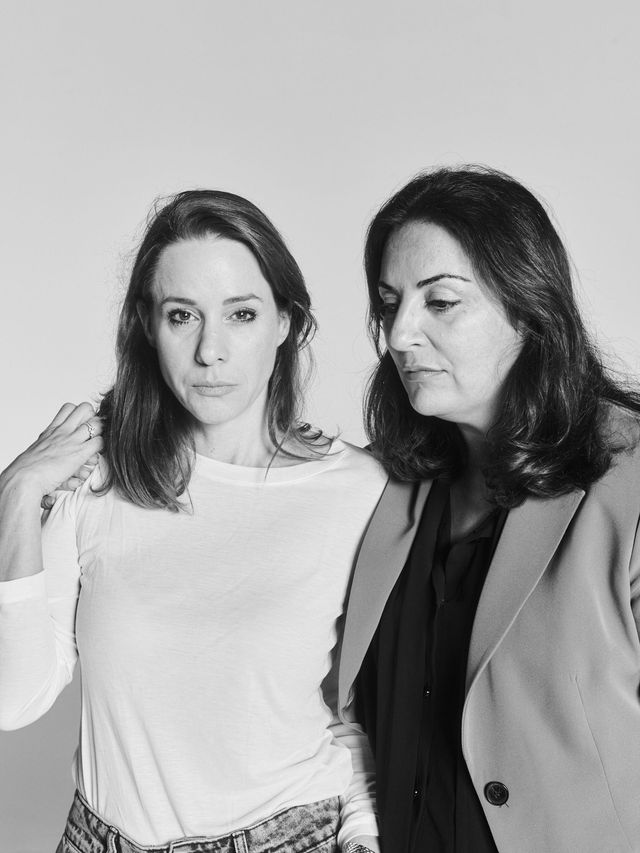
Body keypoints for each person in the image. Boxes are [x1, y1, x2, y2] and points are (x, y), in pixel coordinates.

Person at [0, 191, 386, 853]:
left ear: (285, 322)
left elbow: (368, 703)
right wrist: (15, 494)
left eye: (241, 314)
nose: (211, 350)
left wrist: (364, 834)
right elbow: (13, 698)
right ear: (148, 325)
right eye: (182, 315)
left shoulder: (358, 491)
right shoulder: (98, 477)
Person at [337, 166, 640, 853]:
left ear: (528, 308)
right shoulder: (380, 489)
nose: (400, 335)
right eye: (390, 304)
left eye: (441, 302)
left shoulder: (628, 486)